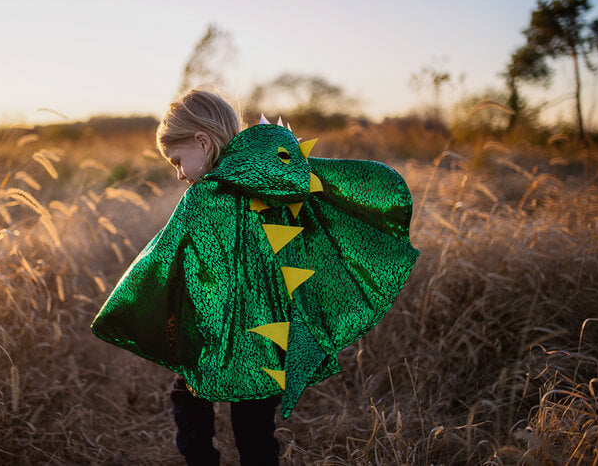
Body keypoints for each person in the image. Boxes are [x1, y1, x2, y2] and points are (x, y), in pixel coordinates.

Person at [91, 89, 419, 465]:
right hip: (270, 343)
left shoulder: (202, 198)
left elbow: (162, 259)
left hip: (213, 338)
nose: (179, 174)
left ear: (202, 140)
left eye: (177, 161)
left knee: (187, 399)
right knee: (256, 433)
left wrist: (125, 308)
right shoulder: (278, 183)